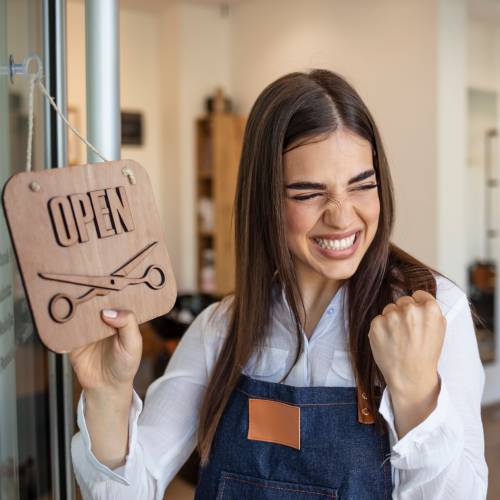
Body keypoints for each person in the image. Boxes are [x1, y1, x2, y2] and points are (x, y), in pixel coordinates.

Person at [70, 69, 488, 499]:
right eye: (308, 194)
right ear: (265, 197)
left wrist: (417, 394)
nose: (343, 216)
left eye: (362, 185)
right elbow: (126, 492)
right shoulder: (222, 328)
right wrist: (108, 392)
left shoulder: (434, 313)